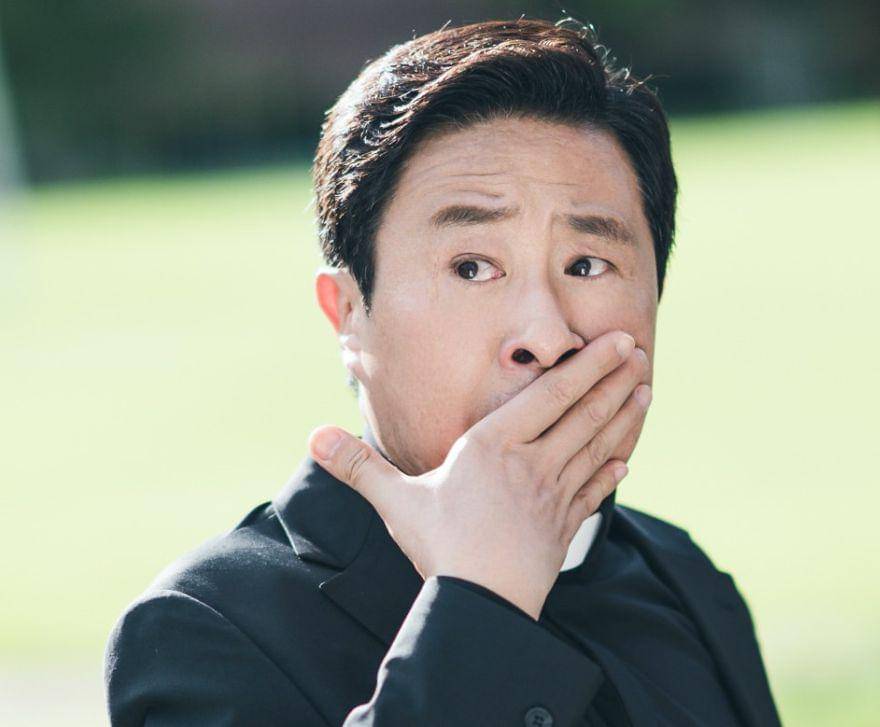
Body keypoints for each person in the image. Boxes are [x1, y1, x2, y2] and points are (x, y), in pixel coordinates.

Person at [105, 17, 782, 726]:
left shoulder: (685, 581)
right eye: (471, 267)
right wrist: (483, 600)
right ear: (348, 313)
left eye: (586, 265)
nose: (545, 336)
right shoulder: (206, 630)